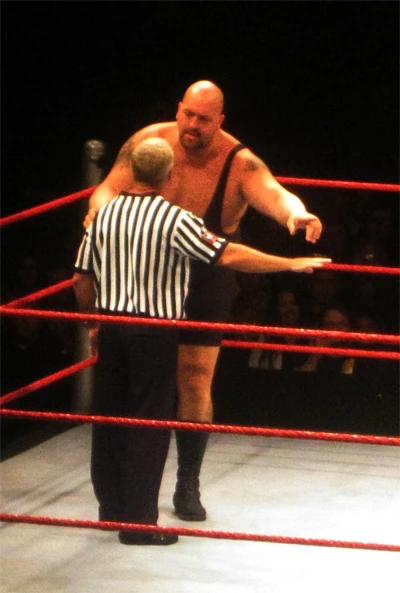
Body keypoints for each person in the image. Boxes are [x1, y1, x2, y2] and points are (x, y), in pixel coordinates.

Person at [84, 80, 324, 522]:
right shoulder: (149, 142)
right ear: (179, 109)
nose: (193, 125)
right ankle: (124, 493)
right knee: (134, 383)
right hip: (148, 276)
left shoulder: (238, 160)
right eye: (188, 114)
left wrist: (296, 213)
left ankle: (186, 482)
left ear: (220, 121)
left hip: (205, 274)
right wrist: (98, 214)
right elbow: (107, 189)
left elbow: (274, 193)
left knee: (194, 381)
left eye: (204, 119)